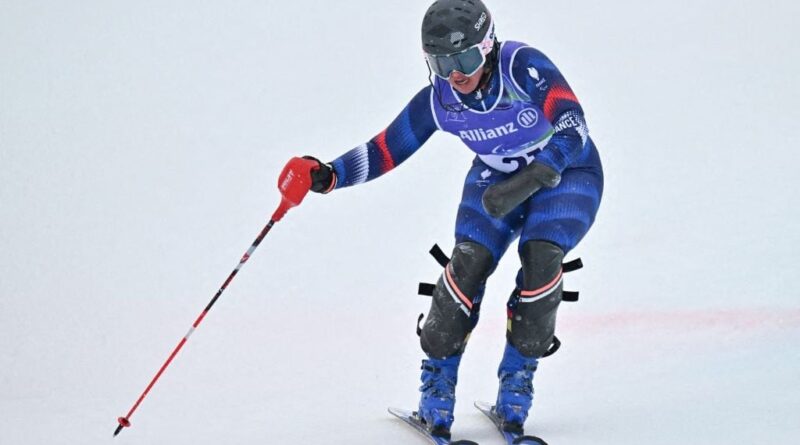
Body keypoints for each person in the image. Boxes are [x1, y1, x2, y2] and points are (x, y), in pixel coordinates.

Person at [277, 0, 603, 439]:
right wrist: (331, 174)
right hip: (495, 179)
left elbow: (572, 124)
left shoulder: (522, 65)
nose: (455, 74)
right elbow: (386, 149)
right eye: (440, 62)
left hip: (568, 174)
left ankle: (516, 386)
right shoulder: (441, 99)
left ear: (487, 46)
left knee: (542, 257)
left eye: (464, 58)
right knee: (468, 262)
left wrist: (536, 175)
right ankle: (436, 390)